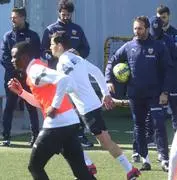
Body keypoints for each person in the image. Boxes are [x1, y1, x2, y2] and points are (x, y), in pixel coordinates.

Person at [50, 33, 141, 179]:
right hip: (88, 106)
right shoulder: (76, 58)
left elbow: (69, 85)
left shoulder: (62, 63)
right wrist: (105, 93)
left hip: (87, 109)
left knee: (104, 142)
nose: (50, 47)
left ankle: (128, 170)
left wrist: (57, 99)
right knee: (70, 136)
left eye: (52, 44)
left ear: (60, 45)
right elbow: (97, 72)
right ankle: (89, 165)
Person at [8, 41, 95, 180]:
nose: (12, 60)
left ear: (24, 57)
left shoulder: (35, 70)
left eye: (14, 57)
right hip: (70, 122)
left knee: (35, 167)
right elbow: (41, 103)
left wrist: (54, 106)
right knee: (81, 171)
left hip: (57, 125)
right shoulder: (35, 69)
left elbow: (64, 79)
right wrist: (21, 93)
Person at [105, 16, 172, 172]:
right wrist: (109, 79)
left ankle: (164, 159)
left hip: (155, 94)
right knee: (139, 126)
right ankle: (145, 159)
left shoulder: (158, 46)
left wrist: (165, 92)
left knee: (159, 124)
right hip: (135, 94)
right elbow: (112, 61)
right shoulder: (128, 47)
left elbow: (168, 70)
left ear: (147, 28)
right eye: (135, 28)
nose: (136, 31)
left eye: (140, 28)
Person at [41, 0, 93, 148]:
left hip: (75, 76)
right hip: (56, 75)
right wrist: (53, 57)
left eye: (68, 14)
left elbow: (86, 49)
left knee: (77, 104)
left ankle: (80, 135)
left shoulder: (77, 29)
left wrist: (77, 53)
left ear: (71, 14)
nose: (65, 17)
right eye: (63, 14)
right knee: (58, 105)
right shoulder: (50, 29)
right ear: (59, 13)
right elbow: (43, 50)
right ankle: (55, 137)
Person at [0, 7, 40, 147]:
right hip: (12, 77)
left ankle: (35, 137)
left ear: (23, 17)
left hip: (28, 78)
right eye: (11, 18)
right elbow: (4, 57)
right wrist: (16, 71)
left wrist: (25, 71)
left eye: (15, 17)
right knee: (9, 107)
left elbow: (36, 56)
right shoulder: (7, 36)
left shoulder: (33, 36)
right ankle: (6, 137)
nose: (12, 20)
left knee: (31, 106)